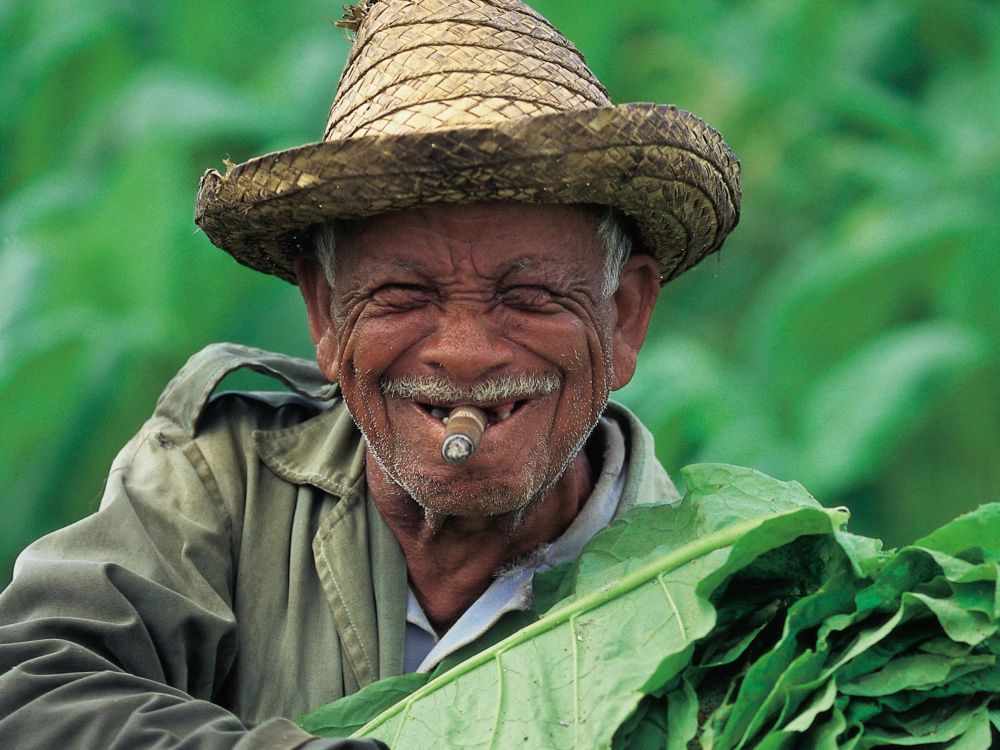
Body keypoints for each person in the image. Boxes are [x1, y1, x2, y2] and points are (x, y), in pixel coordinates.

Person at [0, 0, 740, 747]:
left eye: (529, 297)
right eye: (403, 297)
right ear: (325, 315)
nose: (465, 352)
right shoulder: (224, 483)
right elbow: (29, 682)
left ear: (624, 316)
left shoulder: (723, 598)